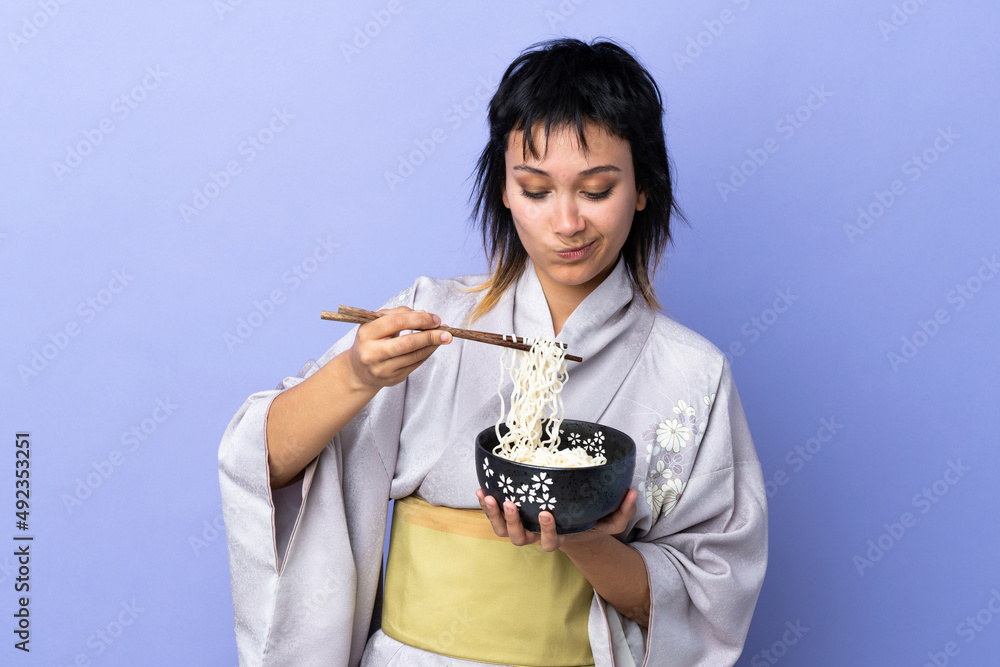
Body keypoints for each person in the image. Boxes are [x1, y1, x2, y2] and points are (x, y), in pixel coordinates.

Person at [219, 38, 767, 666]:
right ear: (504, 191)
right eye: (535, 190)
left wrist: (579, 537)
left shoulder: (692, 372)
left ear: (643, 188)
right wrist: (355, 373)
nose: (566, 222)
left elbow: (707, 602)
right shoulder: (431, 318)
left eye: (595, 189)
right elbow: (259, 464)